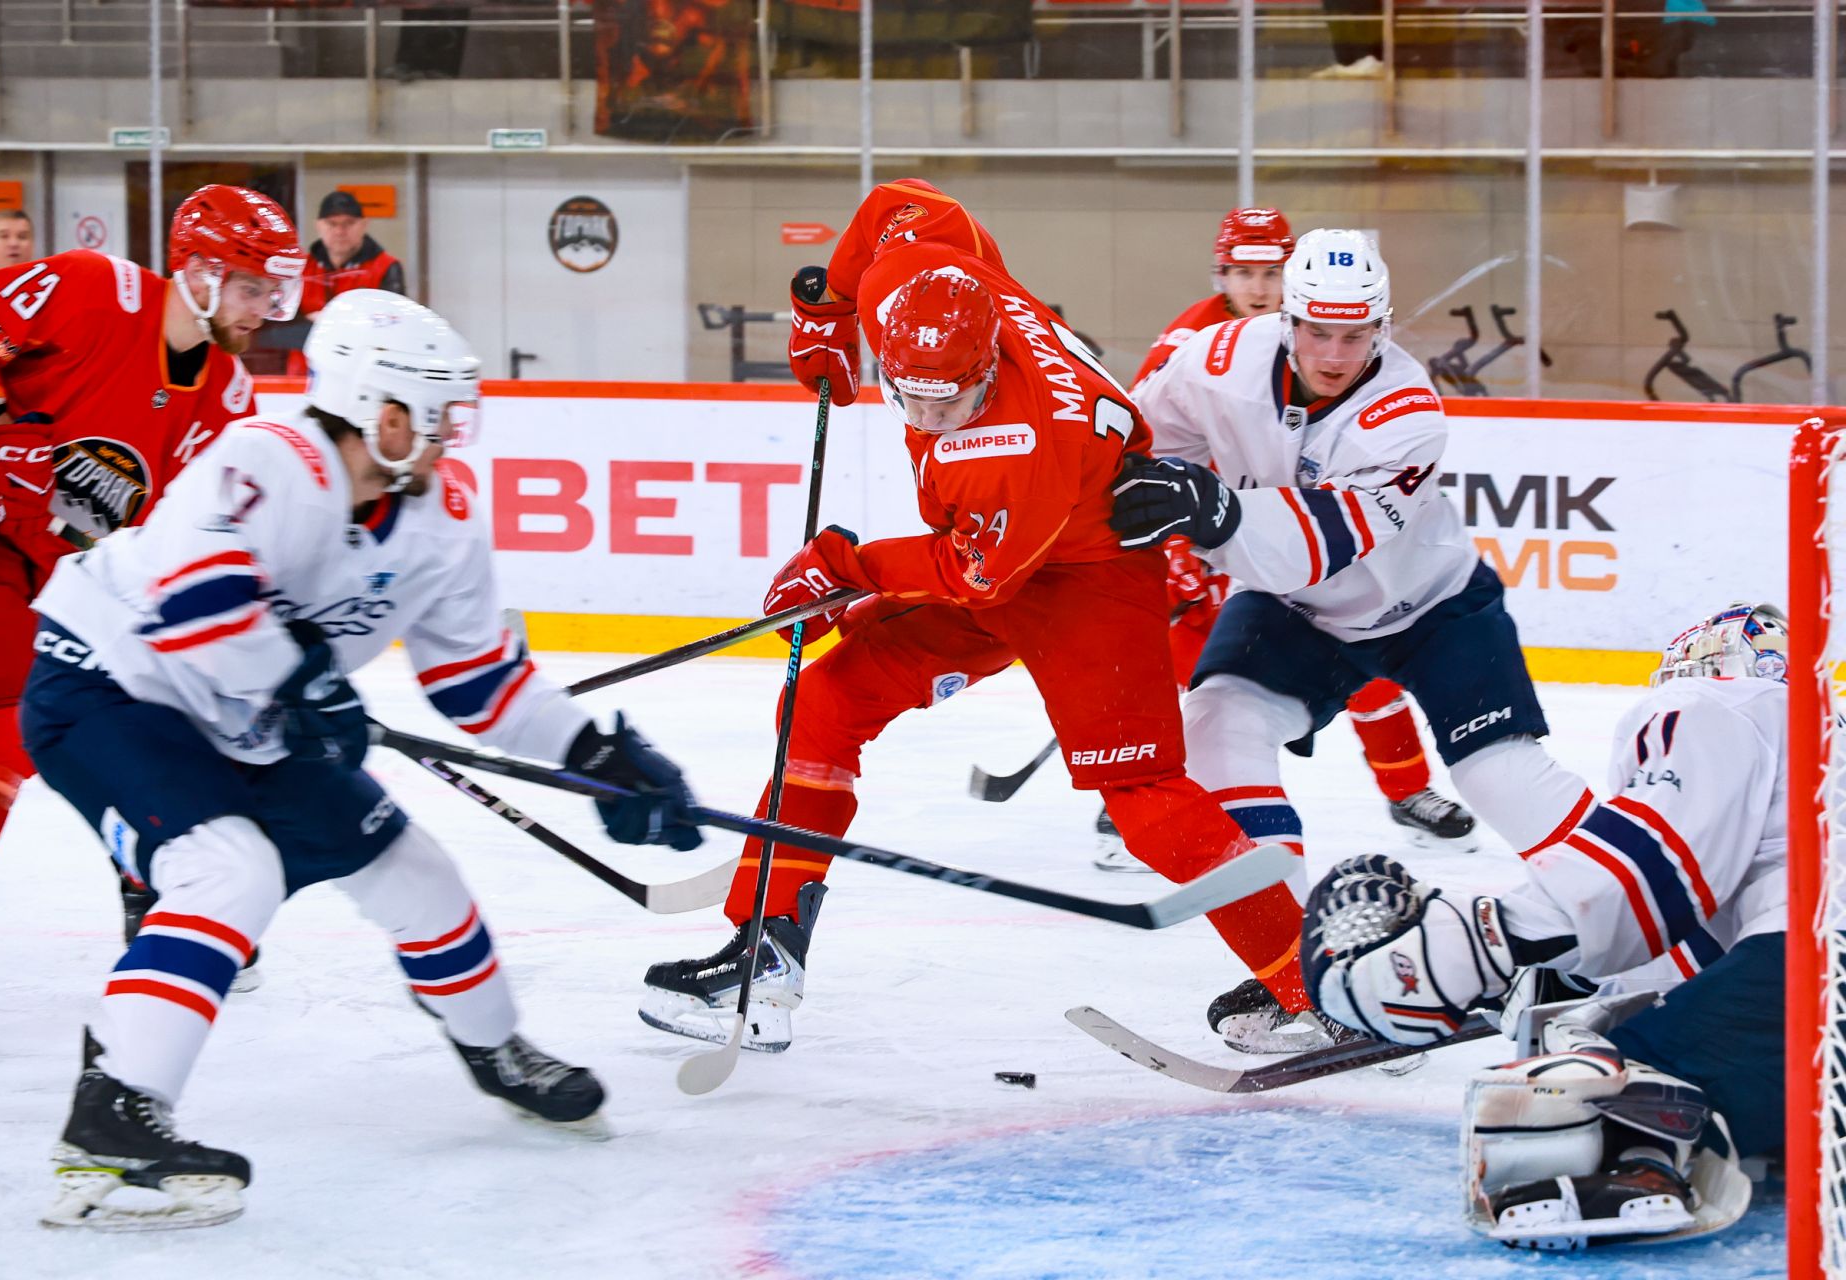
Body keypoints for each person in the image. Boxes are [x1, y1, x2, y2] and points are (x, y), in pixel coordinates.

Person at [19, 289, 703, 1231]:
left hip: (248, 721)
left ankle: (495, 1048)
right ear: (380, 410)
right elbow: (193, 603)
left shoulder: (441, 517)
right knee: (229, 871)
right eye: (437, 412)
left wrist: (596, 758)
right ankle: (113, 1120)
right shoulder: (267, 459)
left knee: (417, 875)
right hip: (112, 686)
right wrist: (298, 683)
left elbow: (477, 682)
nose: (450, 434)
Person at [637, 178, 1310, 1054]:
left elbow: (974, 575)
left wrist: (842, 569)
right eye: (908, 397)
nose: (927, 418)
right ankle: (764, 956)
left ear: (989, 366)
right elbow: (901, 204)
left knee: (1143, 797)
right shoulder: (912, 284)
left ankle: (1318, 986)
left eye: (949, 404)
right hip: (999, 553)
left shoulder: (1017, 447)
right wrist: (828, 312)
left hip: (1091, 577)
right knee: (824, 701)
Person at [1110, 228, 1596, 1052]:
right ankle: (1307, 975)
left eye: (1356, 334)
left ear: (1383, 327)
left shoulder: (1406, 413)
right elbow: (1135, 444)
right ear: (1288, 319)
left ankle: (1643, 915)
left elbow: (1317, 547)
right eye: (1317, 332)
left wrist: (1207, 512)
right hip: (1294, 612)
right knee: (1218, 731)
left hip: (1431, 605)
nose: (1334, 354)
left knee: (1500, 776)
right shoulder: (1214, 360)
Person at [0, 184, 303, 1039]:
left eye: (272, 292)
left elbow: (191, 535)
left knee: (145, 709)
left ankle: (155, 888)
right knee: (3, 727)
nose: (264, 311)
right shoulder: (94, 288)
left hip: (55, 560)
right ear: (197, 272)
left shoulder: (227, 396)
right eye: (251, 287)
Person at [1302, 602, 1786, 1251]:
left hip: (1817, 968)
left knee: (1604, 1083)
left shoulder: (1716, 704)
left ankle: (1637, 1165)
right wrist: (1565, 976)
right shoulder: (1811, 751)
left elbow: (1652, 864)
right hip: (1807, 986)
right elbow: (1704, 941)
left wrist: (1476, 944)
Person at [1097, 207, 1473, 874]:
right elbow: (1143, 444)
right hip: (1207, 529)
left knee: (1358, 646)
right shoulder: (1195, 339)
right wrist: (1176, 550)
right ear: (1221, 275)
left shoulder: (1325, 338)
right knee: (1194, 680)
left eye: (1271, 273)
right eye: (1243, 273)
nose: (1258, 288)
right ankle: (1151, 798)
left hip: (1299, 525)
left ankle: (1408, 789)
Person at [269, 191, 408, 376]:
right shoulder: (300, 268)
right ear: (318, 225)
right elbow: (273, 329)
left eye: (349, 223)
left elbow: (392, 329)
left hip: (363, 376)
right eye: (332, 223)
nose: (340, 231)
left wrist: (322, 322)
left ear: (364, 224)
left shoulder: (386, 267)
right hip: (302, 376)